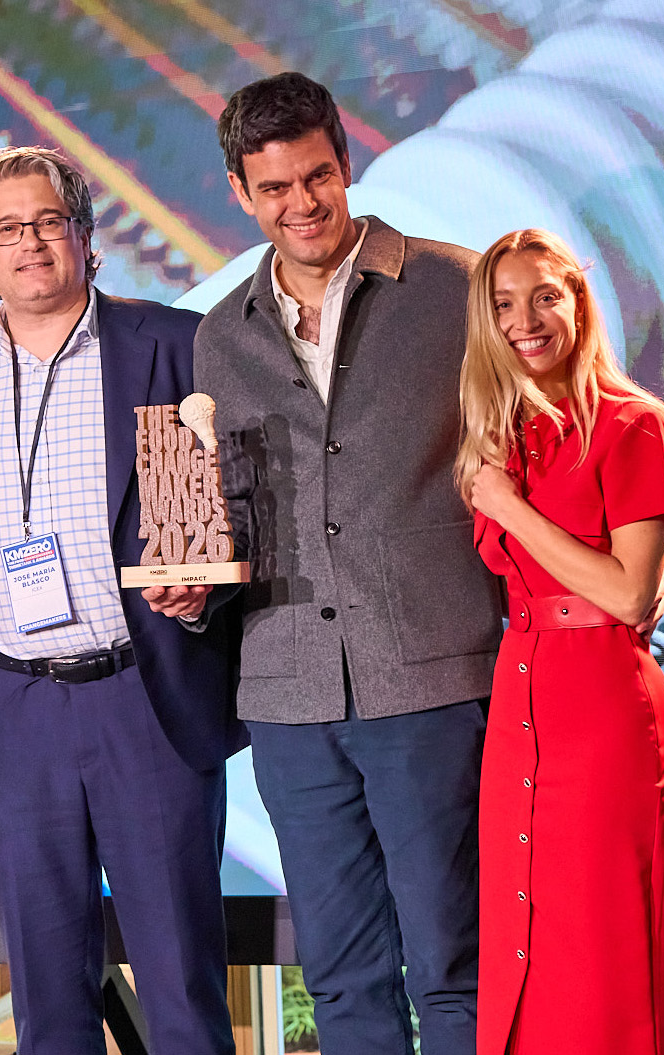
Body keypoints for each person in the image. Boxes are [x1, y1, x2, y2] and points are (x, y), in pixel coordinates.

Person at [193, 72, 504, 1055]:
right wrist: (192, 580)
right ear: (240, 193)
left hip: (429, 676)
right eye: (274, 188)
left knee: (453, 960)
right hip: (286, 695)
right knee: (341, 973)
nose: (301, 205)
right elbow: (226, 513)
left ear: (345, 161)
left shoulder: (454, 290)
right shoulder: (218, 334)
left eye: (316, 177)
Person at [0, 145, 244, 1055]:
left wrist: (203, 590)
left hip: (143, 692)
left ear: (86, 237)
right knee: (47, 993)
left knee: (180, 981)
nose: (30, 243)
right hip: (12, 706)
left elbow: (235, 500)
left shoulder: (173, 341)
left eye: (48, 222)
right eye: (6, 229)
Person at [458, 228, 664, 1055]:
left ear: (579, 303)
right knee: (521, 939)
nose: (526, 320)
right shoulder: (501, 434)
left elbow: (629, 591)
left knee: (598, 953)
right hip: (519, 701)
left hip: (600, 711)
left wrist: (509, 507)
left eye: (545, 295)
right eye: (505, 304)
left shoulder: (634, 426)